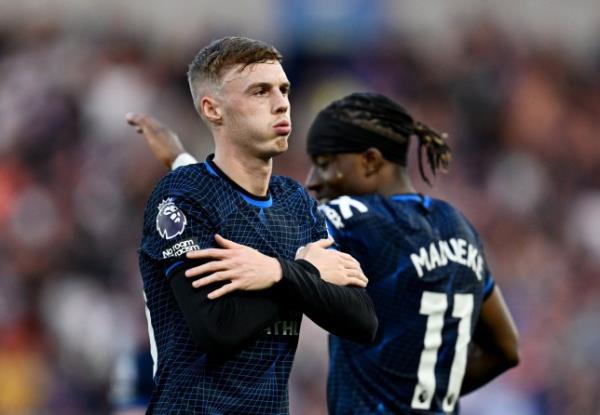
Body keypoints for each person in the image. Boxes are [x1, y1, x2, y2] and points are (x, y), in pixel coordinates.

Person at [130, 92, 520, 414]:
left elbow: (253, 226)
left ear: (369, 161)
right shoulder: (456, 224)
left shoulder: (354, 219)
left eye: (326, 166)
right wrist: (423, 391)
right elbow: (505, 349)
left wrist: (180, 163)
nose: (314, 183)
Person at [132, 37, 378, 415]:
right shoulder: (182, 198)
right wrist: (303, 272)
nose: (281, 103)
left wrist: (278, 273)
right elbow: (218, 329)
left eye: (284, 89)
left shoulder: (294, 202)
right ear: (213, 109)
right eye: (260, 91)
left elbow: (362, 319)